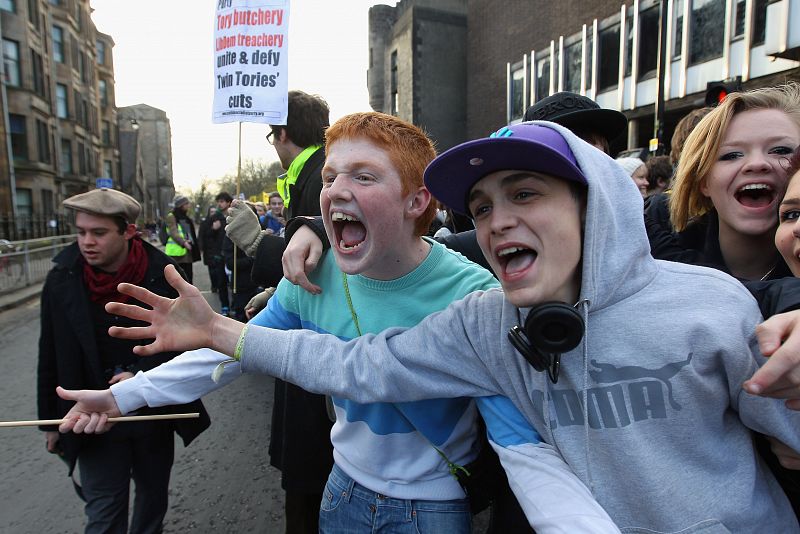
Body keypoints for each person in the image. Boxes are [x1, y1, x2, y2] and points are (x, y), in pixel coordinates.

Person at [65, 122, 800, 533]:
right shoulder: (332, 279)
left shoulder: (481, 298)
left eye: (526, 194)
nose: (499, 218)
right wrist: (132, 392)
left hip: (433, 509)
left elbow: (528, 456)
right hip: (342, 493)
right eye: (481, 208)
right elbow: (335, 365)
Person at [37, 188, 209, 534]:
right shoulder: (61, 277)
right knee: (103, 514)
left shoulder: (166, 274)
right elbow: (50, 352)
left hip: (151, 414)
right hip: (92, 418)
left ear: (129, 231)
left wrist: (139, 375)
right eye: (81, 232)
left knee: (151, 503)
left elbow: (194, 347)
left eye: (99, 233)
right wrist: (51, 422)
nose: (87, 242)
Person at [221, 89, 334, 534]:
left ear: (282, 133)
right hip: (306, 336)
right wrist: (277, 293)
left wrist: (260, 246)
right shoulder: (305, 175)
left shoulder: (320, 175)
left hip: (318, 353)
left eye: (272, 136)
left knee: (310, 488)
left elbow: (330, 263)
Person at [199, 205, 230, 316]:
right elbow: (204, 236)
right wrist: (213, 229)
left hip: (227, 254)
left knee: (230, 281)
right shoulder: (208, 222)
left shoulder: (226, 220)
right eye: (210, 211)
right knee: (218, 278)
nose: (212, 213)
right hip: (215, 255)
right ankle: (224, 305)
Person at [165, 195, 200, 283]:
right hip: (177, 254)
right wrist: (184, 243)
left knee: (188, 278)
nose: (188, 205)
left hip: (187, 253)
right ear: (180, 205)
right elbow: (173, 233)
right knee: (180, 280)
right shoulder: (171, 216)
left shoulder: (186, 218)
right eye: (186, 203)